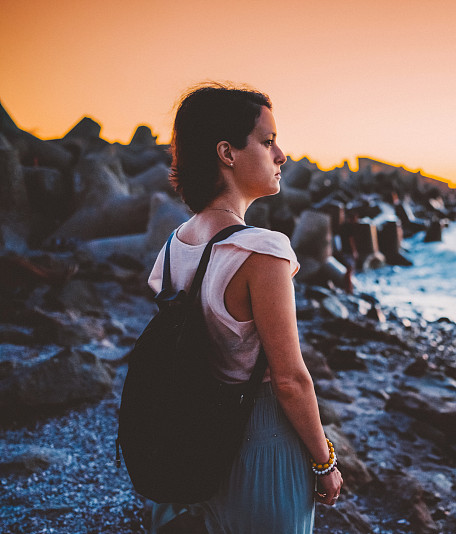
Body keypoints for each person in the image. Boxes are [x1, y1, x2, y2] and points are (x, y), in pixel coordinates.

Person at [146, 83, 343, 533]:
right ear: (227, 153)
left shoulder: (175, 245)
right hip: (260, 440)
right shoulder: (263, 252)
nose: (281, 156)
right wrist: (323, 460)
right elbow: (291, 381)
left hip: (192, 434)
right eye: (268, 141)